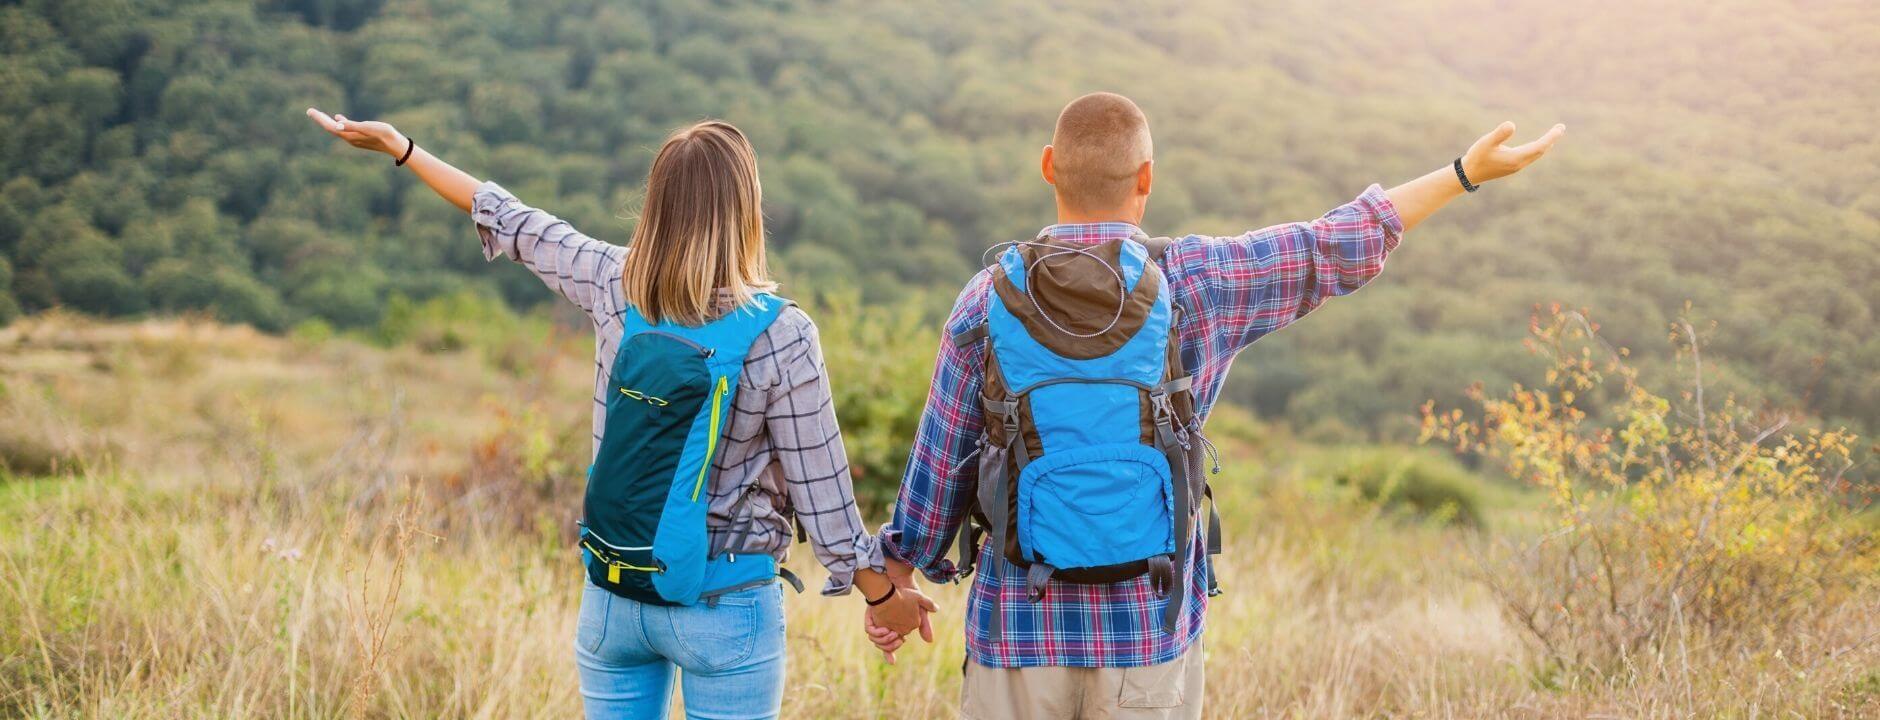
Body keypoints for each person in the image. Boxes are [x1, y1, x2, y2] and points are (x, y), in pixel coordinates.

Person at [866, 92, 1564, 719]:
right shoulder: (1199, 279)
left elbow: (939, 471)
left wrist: (897, 577)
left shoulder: (985, 302)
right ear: (1146, 179)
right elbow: (1339, 241)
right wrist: (1463, 174)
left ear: (1048, 166)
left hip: (1017, 634)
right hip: (1150, 634)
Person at [305, 108, 936, 720]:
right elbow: (825, 502)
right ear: (746, 212)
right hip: (724, 602)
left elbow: (512, 218)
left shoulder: (614, 282)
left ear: (657, 202)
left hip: (614, 594)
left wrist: (403, 149)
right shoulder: (783, 334)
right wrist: (882, 596)